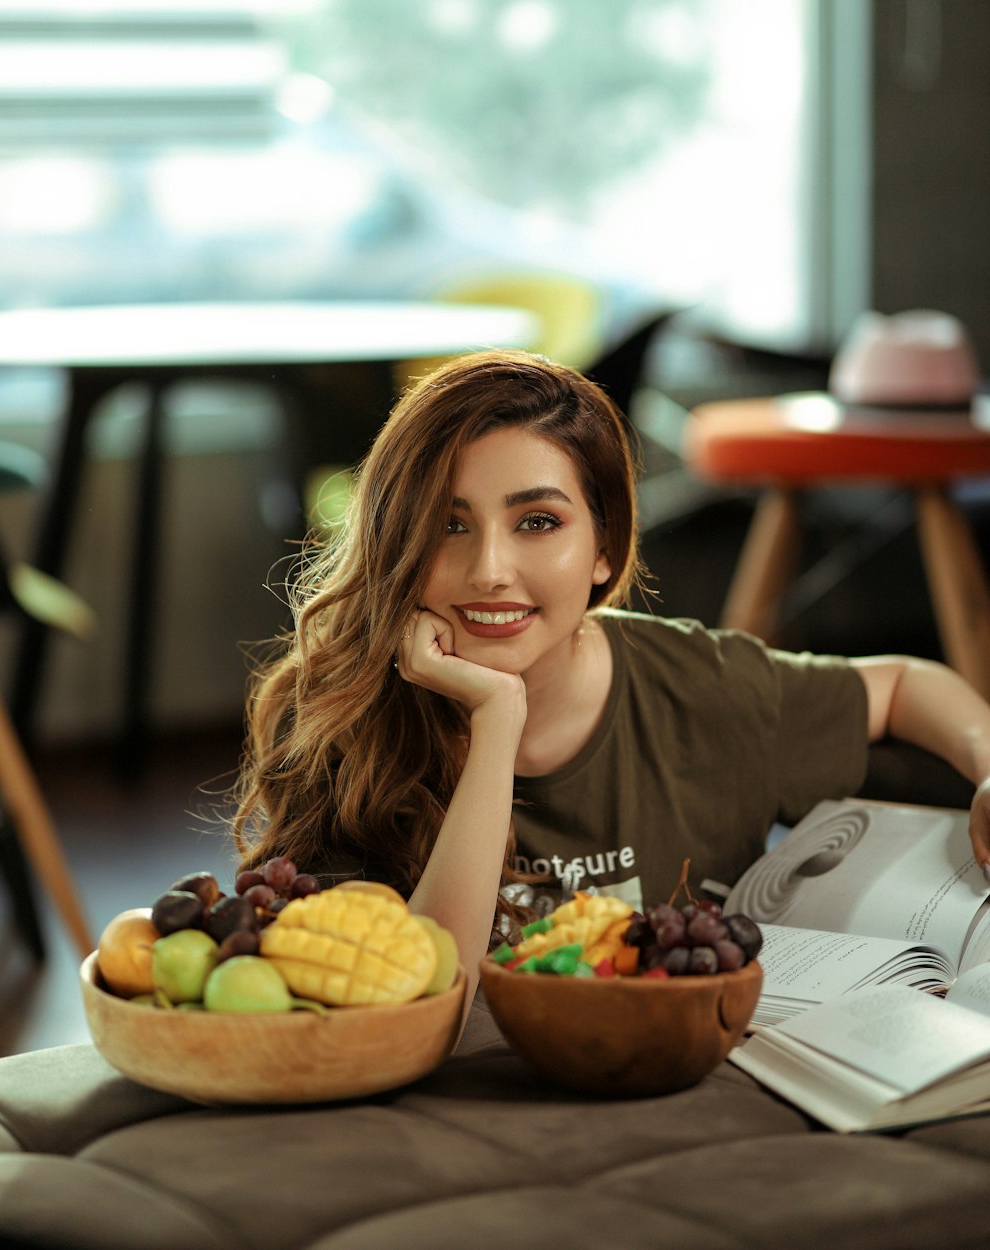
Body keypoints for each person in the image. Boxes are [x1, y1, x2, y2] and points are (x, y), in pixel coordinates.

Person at [232, 349, 990, 1021]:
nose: (491, 568)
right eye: (448, 524)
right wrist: (497, 719)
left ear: (604, 546)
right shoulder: (347, 715)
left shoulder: (697, 684)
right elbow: (434, 998)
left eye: (537, 522)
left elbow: (899, 686)